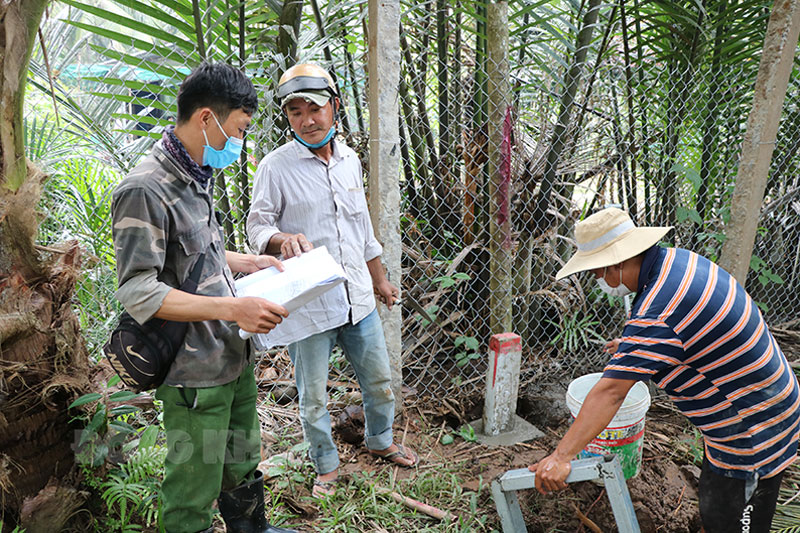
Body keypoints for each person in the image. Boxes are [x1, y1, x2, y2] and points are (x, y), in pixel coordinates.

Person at [530, 207, 800, 533]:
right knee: (716, 508)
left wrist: (561, 456)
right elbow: (688, 331)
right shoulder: (675, 262)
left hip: (754, 430)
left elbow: (611, 393)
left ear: (616, 262)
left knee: (730, 520)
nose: (598, 279)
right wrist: (635, 347)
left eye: (596, 271)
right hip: (756, 403)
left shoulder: (658, 313)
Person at [112, 62, 296, 533]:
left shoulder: (193, 175)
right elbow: (139, 289)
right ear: (206, 119)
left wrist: (245, 262)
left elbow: (195, 257)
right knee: (194, 485)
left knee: (240, 461)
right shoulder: (145, 188)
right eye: (239, 129)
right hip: (193, 375)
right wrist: (233, 308)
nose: (240, 142)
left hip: (230, 357)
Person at [246, 63, 418, 498]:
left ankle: (380, 441)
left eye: (315, 108)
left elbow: (363, 232)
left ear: (335, 107)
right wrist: (281, 239)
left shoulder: (349, 161)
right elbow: (257, 228)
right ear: (287, 117)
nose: (306, 119)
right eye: (295, 112)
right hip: (309, 305)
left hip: (357, 298)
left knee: (379, 382)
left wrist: (380, 282)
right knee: (314, 397)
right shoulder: (275, 167)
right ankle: (324, 463)